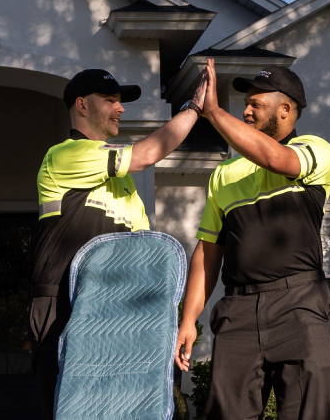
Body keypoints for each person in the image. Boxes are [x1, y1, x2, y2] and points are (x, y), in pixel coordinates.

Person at [31, 67, 209, 419]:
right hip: (64, 305)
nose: (120, 108)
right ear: (82, 105)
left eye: (120, 101)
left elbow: (146, 266)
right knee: (67, 409)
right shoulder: (62, 155)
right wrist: (194, 109)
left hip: (120, 313)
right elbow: (147, 154)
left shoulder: (124, 184)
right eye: (110, 100)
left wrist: (165, 325)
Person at [174, 60, 330, 420]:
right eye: (245, 103)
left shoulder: (315, 150)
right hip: (239, 312)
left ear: (286, 109)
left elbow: (276, 159)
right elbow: (208, 251)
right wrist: (189, 319)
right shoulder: (224, 174)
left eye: (256, 105)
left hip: (300, 305)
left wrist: (213, 112)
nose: (246, 110)